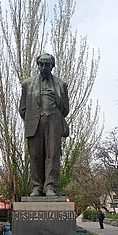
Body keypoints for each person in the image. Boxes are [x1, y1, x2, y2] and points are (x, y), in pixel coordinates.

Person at [19, 53, 69, 196]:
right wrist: (32, 119)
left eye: (47, 64)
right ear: (38, 65)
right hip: (34, 123)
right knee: (35, 156)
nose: (44, 67)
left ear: (52, 66)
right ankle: (37, 186)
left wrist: (52, 116)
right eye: (41, 64)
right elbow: (22, 108)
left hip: (54, 122)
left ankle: (50, 187)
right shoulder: (27, 84)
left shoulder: (61, 84)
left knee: (53, 155)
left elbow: (65, 109)